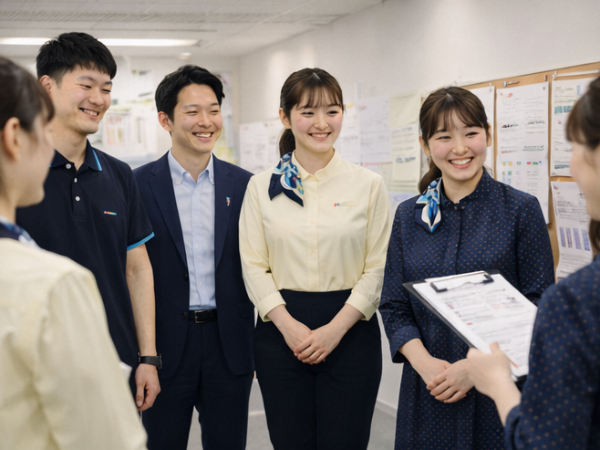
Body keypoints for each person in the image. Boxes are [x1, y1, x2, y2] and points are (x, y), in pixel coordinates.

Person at [379, 86, 555, 449]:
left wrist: (475, 370)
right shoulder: (409, 216)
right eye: (444, 137)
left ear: (488, 135)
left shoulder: (520, 210)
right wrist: (424, 363)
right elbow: (394, 305)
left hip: (499, 392)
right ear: (425, 145)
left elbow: (538, 305)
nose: (460, 148)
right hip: (429, 389)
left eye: (471, 133)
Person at [0, 56, 148, 450]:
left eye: (106, 88)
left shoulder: (119, 175)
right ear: (15, 137)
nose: (98, 98)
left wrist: (147, 356)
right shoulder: (54, 284)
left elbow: (137, 268)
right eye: (39, 129)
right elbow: (106, 437)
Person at [239, 67, 391, 450]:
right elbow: (254, 266)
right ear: (285, 117)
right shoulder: (260, 187)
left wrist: (334, 330)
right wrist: (288, 327)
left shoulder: (368, 185)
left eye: (332, 111)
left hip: (352, 332)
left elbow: (378, 268)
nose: (321, 124)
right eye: (308, 112)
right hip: (280, 335)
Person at [466, 77, 600, 449]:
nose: (571, 166)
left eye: (575, 147)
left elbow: (542, 442)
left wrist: (498, 383)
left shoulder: (576, 302)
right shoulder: (410, 214)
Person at [134, 65, 255, 450]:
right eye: (192, 111)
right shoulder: (136, 185)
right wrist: (146, 355)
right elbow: (132, 271)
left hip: (229, 344)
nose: (206, 121)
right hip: (165, 346)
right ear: (165, 120)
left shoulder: (245, 185)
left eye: (214, 110)